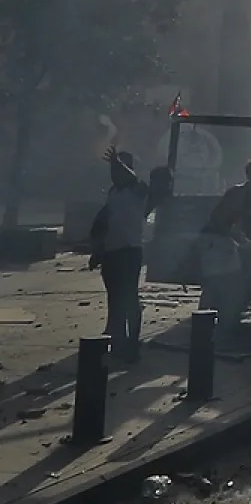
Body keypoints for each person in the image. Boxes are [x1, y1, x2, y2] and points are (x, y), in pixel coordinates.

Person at [89, 147, 168, 362]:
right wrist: (97, 250)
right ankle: (118, 342)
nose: (115, 173)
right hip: (111, 252)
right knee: (114, 299)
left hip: (129, 251)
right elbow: (103, 222)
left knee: (130, 298)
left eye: (120, 168)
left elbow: (130, 179)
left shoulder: (138, 189)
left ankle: (132, 345)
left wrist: (116, 162)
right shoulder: (113, 192)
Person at [196, 160, 251, 323]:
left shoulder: (250, 194)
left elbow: (247, 223)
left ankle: (216, 320)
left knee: (224, 283)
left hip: (220, 240)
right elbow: (223, 220)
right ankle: (207, 323)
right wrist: (242, 238)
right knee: (219, 283)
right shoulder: (242, 194)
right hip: (214, 240)